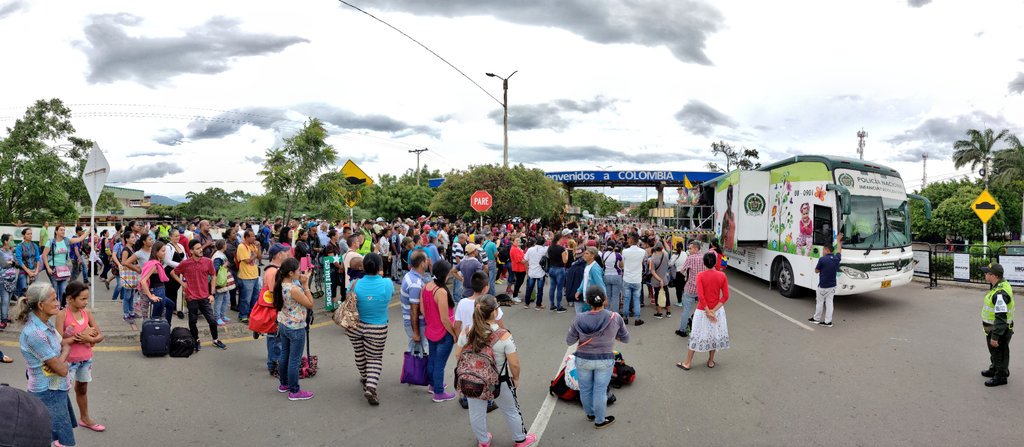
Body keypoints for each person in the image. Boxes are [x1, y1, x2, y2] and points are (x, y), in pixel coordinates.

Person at [456, 294, 538, 447]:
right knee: (510, 409)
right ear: (494, 312)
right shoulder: (503, 335)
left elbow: (458, 355)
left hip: (473, 381)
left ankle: (483, 440)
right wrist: (516, 378)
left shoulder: (467, 332)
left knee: (476, 413)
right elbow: (514, 363)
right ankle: (520, 439)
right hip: (498, 382)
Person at [16, 282, 78, 446]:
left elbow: (59, 348)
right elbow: (62, 369)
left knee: (51, 437)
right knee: (54, 440)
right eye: (54, 299)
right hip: (48, 392)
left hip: (56, 388)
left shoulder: (45, 324)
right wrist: (66, 350)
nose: (58, 302)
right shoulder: (35, 333)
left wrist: (64, 344)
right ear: (41, 305)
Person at [566, 286, 630, 429]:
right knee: (600, 390)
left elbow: (569, 341)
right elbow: (626, 338)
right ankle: (600, 420)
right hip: (605, 360)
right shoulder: (615, 317)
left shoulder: (579, 318)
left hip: (583, 359)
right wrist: (613, 336)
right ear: (605, 300)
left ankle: (590, 414)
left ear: (588, 302)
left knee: (585, 389)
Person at [54, 281, 105, 433]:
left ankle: (84, 418)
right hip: (68, 362)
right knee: (62, 393)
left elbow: (99, 335)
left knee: (82, 389)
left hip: (85, 359)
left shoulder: (87, 313)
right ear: (70, 299)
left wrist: (91, 339)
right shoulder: (62, 315)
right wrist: (79, 337)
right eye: (82, 299)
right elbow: (59, 341)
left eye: (86, 298)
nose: (85, 302)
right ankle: (60, 427)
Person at [347, 253, 395, 405]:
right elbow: (391, 294)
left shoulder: (354, 283)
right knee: (374, 358)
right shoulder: (387, 283)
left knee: (359, 354)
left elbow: (349, 297)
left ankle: (365, 376)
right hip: (377, 327)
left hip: (355, 326)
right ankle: (371, 387)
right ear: (380, 267)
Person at [677, 252, 730, 370]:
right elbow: (725, 296)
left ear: (704, 262)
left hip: (702, 311)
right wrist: (713, 310)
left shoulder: (700, 275)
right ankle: (711, 361)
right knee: (714, 335)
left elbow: (701, 296)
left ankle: (688, 362)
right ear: (715, 262)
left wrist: (707, 310)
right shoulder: (722, 276)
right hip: (717, 311)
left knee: (695, 334)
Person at [172, 240, 227, 351]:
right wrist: (182, 283)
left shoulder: (207, 262)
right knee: (192, 321)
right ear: (191, 251)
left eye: (200, 247)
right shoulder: (185, 263)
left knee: (212, 320)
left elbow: (213, 276)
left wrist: (212, 294)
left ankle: (215, 340)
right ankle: (196, 340)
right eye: (197, 248)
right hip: (191, 298)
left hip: (205, 297)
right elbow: (173, 272)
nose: (201, 249)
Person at [273, 258, 315, 400]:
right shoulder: (294, 289)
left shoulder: (281, 284)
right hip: (296, 327)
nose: (300, 272)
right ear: (291, 273)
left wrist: (302, 281)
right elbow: (310, 303)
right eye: (298, 271)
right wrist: (306, 285)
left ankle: (283, 384)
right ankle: (294, 391)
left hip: (284, 323)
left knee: (285, 355)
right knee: (294, 360)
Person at [421, 260, 458, 402]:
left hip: (431, 330)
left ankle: (433, 384)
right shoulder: (441, 291)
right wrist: (454, 333)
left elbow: (423, 310)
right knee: (439, 364)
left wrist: (431, 322)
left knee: (433, 359)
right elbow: (445, 318)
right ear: (445, 274)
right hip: (443, 333)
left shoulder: (426, 286)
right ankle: (439, 392)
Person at [980, 263, 1014, 387]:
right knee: (995, 352)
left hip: (998, 330)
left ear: (993, 276)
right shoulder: (999, 285)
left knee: (1000, 353)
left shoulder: (1000, 293)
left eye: (986, 273)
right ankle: (994, 369)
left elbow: (1001, 317)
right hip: (993, 329)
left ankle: (1001, 376)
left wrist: (995, 337)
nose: (984, 275)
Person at [40, 225, 90, 308]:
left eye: (64, 230)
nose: (63, 231)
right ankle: (55, 306)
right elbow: (44, 255)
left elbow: (80, 239)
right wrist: (48, 268)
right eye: (61, 230)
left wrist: (88, 232)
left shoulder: (66, 241)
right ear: (56, 231)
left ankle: (61, 306)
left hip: (64, 269)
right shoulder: (51, 242)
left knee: (63, 289)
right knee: (55, 289)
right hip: (53, 268)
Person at [809, 233, 843, 328]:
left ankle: (816, 319)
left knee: (820, 302)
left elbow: (816, 271)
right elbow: (839, 250)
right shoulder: (836, 258)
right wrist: (838, 240)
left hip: (823, 286)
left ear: (827, 250)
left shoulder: (822, 259)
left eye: (823, 249)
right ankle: (828, 322)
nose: (823, 251)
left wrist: (820, 269)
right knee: (829, 303)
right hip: (832, 286)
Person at [401, 251, 430, 356]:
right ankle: (417, 372)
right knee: (419, 353)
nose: (428, 261)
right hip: (417, 324)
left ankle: (413, 371)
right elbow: (414, 310)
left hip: (412, 322)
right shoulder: (415, 284)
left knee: (414, 351)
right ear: (422, 263)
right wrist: (416, 333)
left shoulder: (410, 276)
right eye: (426, 259)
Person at [138, 242, 176, 323]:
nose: (165, 253)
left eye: (165, 250)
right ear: (156, 252)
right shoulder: (154, 264)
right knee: (156, 318)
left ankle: (167, 326)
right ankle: (159, 329)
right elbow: (143, 281)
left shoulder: (155, 263)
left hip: (159, 290)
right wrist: (150, 296)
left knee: (170, 305)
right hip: (158, 291)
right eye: (163, 251)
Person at [675, 241, 705, 337]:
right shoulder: (704, 257)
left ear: (696, 249)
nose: (689, 250)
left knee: (686, 309)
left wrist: (686, 276)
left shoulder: (690, 258)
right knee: (701, 308)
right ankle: (697, 326)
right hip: (702, 289)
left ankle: (682, 330)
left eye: (690, 248)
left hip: (690, 288)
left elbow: (682, 271)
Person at [236, 230, 261, 323]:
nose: (254, 238)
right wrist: (254, 254)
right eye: (252, 236)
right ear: (246, 237)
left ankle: (252, 313)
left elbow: (259, 257)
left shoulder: (253, 246)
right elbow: (247, 260)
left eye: (254, 236)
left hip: (254, 275)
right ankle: (243, 315)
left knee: (255, 297)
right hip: (245, 277)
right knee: (246, 298)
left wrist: (259, 247)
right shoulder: (241, 247)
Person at [621, 233, 645, 326]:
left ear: (630, 240)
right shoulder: (642, 252)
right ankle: (637, 318)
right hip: (637, 278)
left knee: (626, 299)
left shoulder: (625, 251)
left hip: (627, 278)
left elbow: (622, 263)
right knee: (636, 299)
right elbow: (642, 262)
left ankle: (625, 318)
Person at [574, 247, 606, 314]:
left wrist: (604, 298)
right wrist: (579, 290)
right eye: (584, 253)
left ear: (592, 256)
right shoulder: (587, 265)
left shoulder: (594, 268)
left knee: (587, 318)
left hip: (592, 298)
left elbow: (600, 284)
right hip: (587, 298)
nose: (584, 255)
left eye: (587, 253)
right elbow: (584, 279)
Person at [14, 227, 41, 300]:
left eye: (31, 234)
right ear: (24, 236)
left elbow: (38, 258)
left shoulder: (35, 245)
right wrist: (28, 271)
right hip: (23, 270)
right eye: (28, 234)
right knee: (23, 290)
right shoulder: (19, 246)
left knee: (34, 291)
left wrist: (37, 270)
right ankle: (21, 307)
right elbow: (19, 260)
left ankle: (32, 307)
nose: (30, 235)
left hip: (34, 270)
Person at [546, 233, 569, 313]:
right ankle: (559, 306)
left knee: (552, 287)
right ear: (559, 239)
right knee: (559, 288)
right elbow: (565, 261)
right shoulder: (561, 249)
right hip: (559, 269)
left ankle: (552, 305)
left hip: (551, 268)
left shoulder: (550, 248)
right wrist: (567, 253)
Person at [648, 243, 672, 319]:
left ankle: (659, 312)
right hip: (664, 279)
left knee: (658, 296)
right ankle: (668, 312)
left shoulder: (653, 258)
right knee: (666, 295)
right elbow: (667, 250)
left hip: (656, 280)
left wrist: (659, 279)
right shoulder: (665, 255)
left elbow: (652, 271)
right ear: (662, 248)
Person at [599, 242, 623, 316]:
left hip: (606, 275)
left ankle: (607, 313)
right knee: (615, 296)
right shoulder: (618, 255)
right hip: (616, 275)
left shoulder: (603, 254)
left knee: (608, 295)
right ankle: (615, 314)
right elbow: (621, 265)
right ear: (614, 247)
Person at [523, 237, 547, 310]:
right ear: (543, 243)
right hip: (541, 273)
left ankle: (527, 304)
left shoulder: (530, 249)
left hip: (531, 272)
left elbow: (524, 260)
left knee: (529, 289)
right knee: (540, 290)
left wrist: (527, 269)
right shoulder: (545, 250)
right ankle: (538, 305)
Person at [0, 234, 16, 329]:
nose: (13, 242)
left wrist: (11, 263)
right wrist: (11, 263)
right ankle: (3, 321)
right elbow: (4, 265)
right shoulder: (0, 252)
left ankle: (5, 316)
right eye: (11, 240)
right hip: (3, 279)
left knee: (8, 300)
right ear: (6, 241)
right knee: (5, 301)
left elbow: (15, 263)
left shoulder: (10, 251)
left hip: (12, 279)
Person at [509, 237, 526, 302]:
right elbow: (519, 260)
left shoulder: (516, 248)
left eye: (519, 240)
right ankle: (514, 296)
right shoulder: (514, 249)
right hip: (518, 268)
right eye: (516, 240)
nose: (518, 241)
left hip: (520, 267)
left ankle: (515, 295)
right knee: (519, 282)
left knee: (519, 282)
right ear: (513, 242)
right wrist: (527, 260)